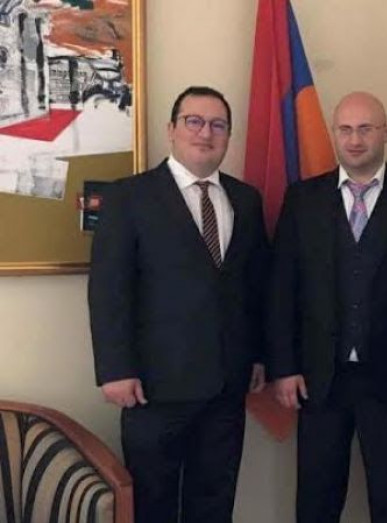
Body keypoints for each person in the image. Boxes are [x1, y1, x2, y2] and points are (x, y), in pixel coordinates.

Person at [88, 86, 269, 523]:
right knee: (153, 506)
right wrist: (115, 369)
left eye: (218, 125)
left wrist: (261, 356)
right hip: (153, 388)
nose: (206, 133)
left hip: (226, 386)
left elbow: (255, 287)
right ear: (171, 129)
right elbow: (109, 289)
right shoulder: (129, 197)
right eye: (194, 121)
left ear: (228, 136)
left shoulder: (246, 200)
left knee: (215, 504)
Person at [266, 91, 387, 523]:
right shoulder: (302, 199)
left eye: (365, 129)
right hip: (319, 378)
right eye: (345, 129)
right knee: (317, 500)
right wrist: (284, 367)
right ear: (334, 133)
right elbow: (282, 288)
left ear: (386, 132)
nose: (355, 139)